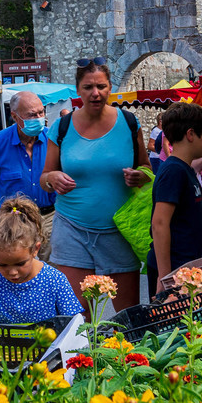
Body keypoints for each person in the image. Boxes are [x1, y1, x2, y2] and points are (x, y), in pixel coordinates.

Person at [40, 59, 151, 312]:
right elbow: (45, 177)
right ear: (78, 90)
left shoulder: (129, 122)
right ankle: (84, 353)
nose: (95, 93)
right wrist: (53, 179)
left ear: (110, 87)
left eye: (101, 86)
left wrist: (140, 175)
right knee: (78, 316)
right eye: (88, 86)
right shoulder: (62, 126)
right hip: (72, 228)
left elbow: (147, 168)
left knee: (127, 315)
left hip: (120, 230)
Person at [0, 195, 83, 324]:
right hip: (8, 344)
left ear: (35, 249)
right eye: (3, 265)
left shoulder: (55, 280)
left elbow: (72, 322)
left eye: (20, 263)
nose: (12, 272)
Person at [147, 103, 202, 296]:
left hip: (184, 267)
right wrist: (165, 276)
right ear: (191, 134)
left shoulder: (185, 169)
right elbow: (159, 223)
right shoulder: (174, 170)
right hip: (173, 270)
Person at [0, 90, 56, 260]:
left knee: (53, 268)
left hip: (50, 217)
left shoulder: (53, 139)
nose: (38, 118)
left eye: (41, 112)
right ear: (15, 117)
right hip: (16, 219)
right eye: (31, 115)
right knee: (18, 268)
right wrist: (3, 214)